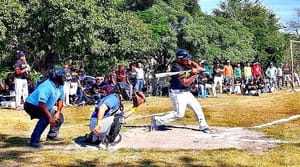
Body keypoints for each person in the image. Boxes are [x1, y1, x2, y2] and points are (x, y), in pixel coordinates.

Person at [150, 49, 212, 133]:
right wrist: (194, 74)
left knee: (197, 107)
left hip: (186, 92)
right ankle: (157, 121)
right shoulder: (176, 67)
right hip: (177, 92)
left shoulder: (186, 62)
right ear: (180, 59)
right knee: (179, 114)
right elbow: (185, 83)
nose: (188, 60)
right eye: (186, 59)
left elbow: (192, 63)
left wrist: (197, 68)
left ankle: (203, 125)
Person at [24, 67, 66, 148]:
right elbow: (41, 104)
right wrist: (50, 117)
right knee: (46, 117)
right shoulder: (47, 86)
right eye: (63, 76)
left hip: (43, 106)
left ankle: (52, 136)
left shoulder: (60, 86)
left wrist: (58, 112)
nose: (64, 78)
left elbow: (60, 100)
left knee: (60, 117)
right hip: (31, 105)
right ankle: (34, 141)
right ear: (57, 77)